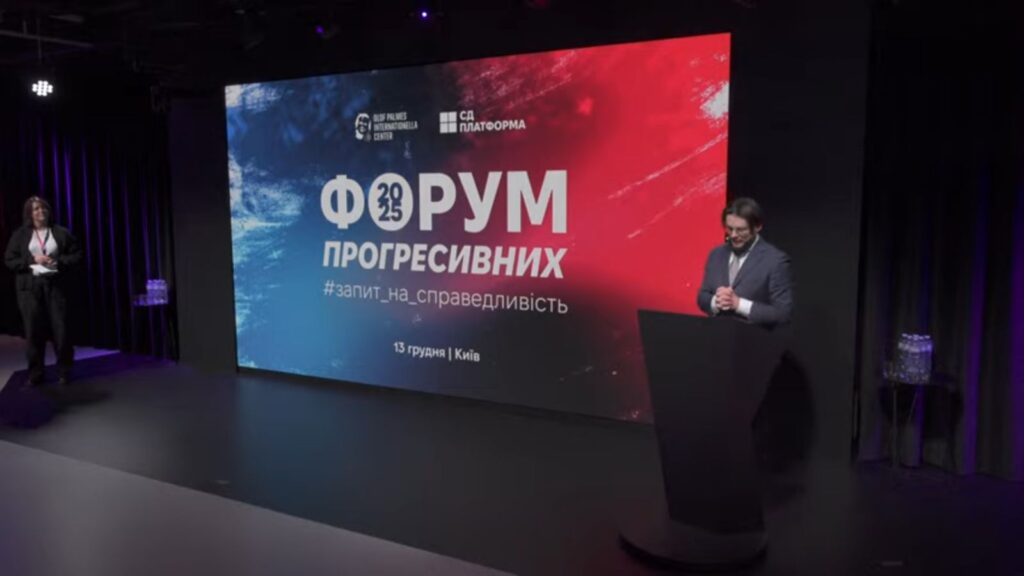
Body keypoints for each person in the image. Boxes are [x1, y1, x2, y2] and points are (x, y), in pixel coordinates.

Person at [4, 196, 83, 386]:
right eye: (36, 209)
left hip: (56, 287)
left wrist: (59, 262)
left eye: (43, 208)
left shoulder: (61, 232)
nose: (41, 212)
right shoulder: (20, 235)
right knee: (33, 332)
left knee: (61, 331)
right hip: (30, 289)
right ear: (30, 214)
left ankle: (64, 371)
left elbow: (77, 254)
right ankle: (36, 374)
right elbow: (10, 260)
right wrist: (33, 260)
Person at [697, 197, 793, 326]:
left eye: (741, 229)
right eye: (729, 228)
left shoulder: (776, 261)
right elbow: (703, 296)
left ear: (757, 227)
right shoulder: (716, 254)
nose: (733, 235)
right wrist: (716, 301)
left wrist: (738, 304)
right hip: (716, 335)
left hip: (754, 337)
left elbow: (782, 313)